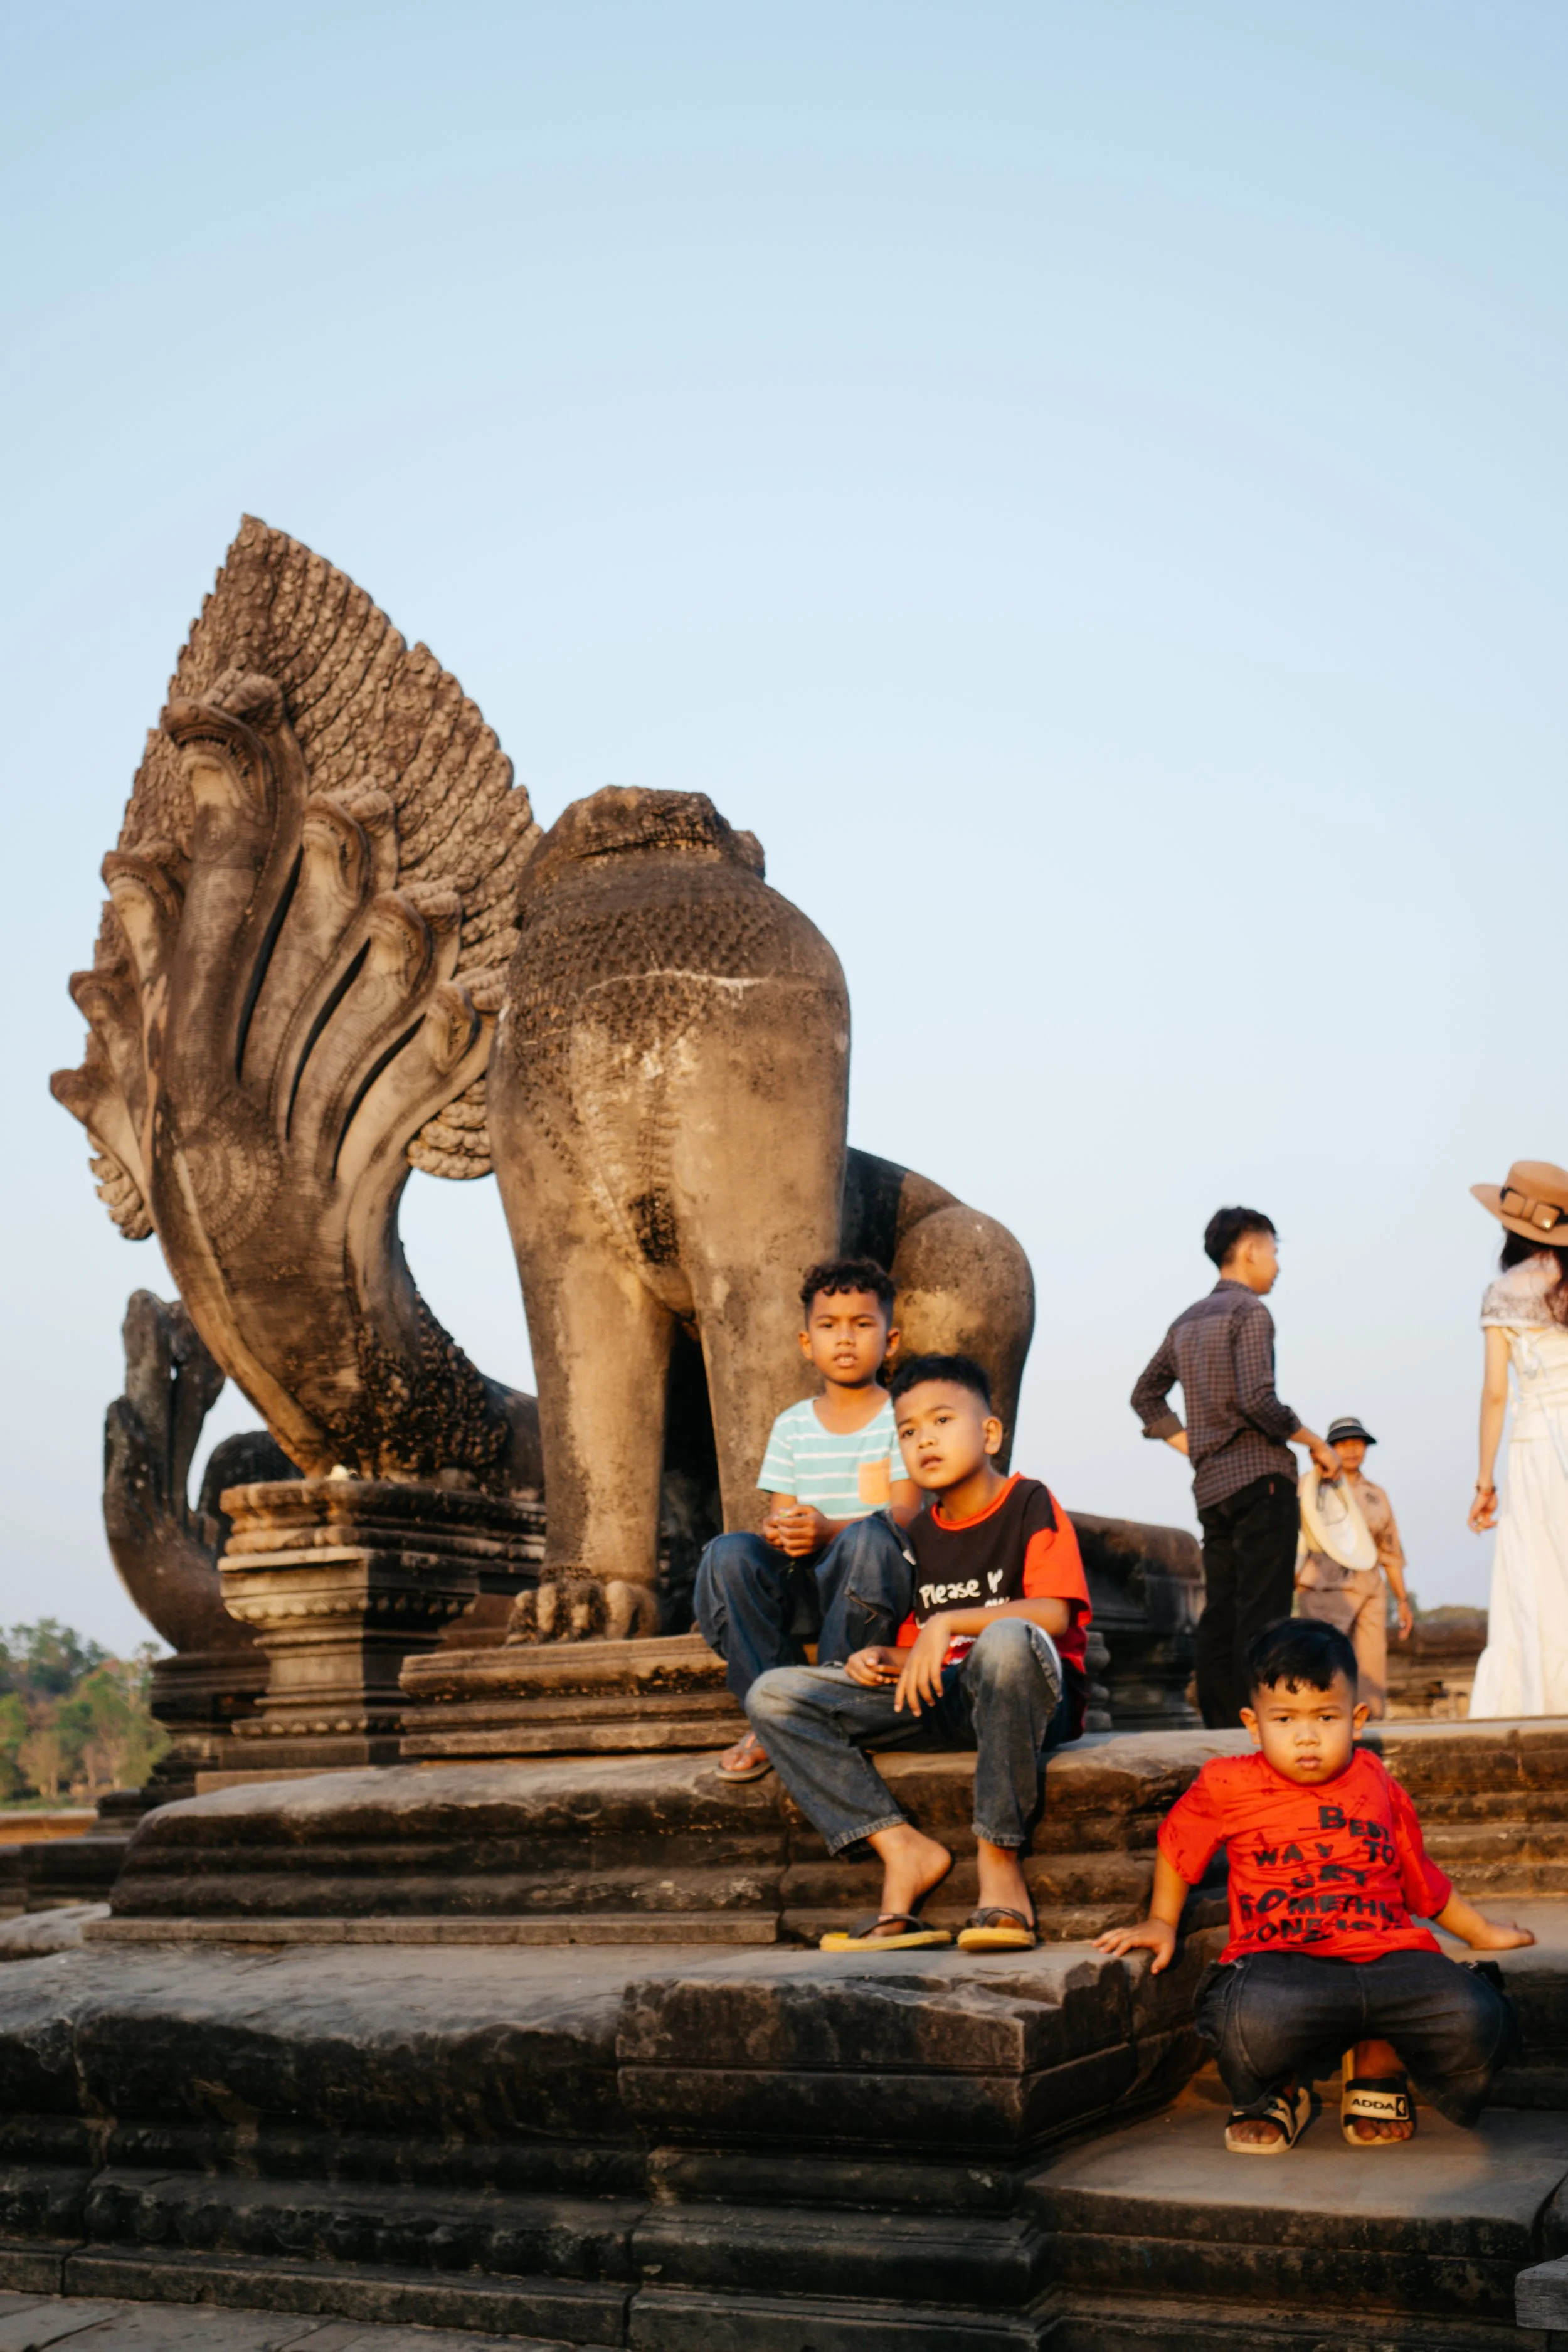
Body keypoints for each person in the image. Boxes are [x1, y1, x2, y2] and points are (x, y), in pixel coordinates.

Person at [1095, 1618, 1532, 2153]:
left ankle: (1376, 2060)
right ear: (1254, 1725)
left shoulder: (1374, 1779)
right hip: (1281, 1961)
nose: (1307, 1736)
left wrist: (1480, 1931)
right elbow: (1178, 1842)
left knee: (1477, 2018)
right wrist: (1163, 1920)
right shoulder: (1228, 1782)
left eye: (1326, 1717)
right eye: (1285, 1719)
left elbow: (1420, 1878)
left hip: (1389, 1958)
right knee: (1248, 2019)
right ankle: (1276, 2089)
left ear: (1357, 1718)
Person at [744, 1352, 1091, 1953]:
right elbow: (922, 1655)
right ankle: (903, 1848)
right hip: (948, 1698)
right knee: (773, 1695)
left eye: (942, 1421)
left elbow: (1054, 1614)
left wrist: (952, 1621)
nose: (924, 1439)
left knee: (1007, 1640)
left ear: (989, 1433)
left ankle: (998, 1859)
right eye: (908, 1431)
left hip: (1030, 1698)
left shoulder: (1028, 1501)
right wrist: (882, 1659)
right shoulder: (917, 1535)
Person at [694, 1258, 919, 1781]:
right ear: (806, 1342)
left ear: (890, 1341)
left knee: (872, 1536)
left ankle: (817, 1705)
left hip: (866, 1589)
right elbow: (783, 1518)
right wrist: (783, 1531)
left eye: (862, 1324)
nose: (845, 1338)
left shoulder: (902, 1417)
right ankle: (771, 1708)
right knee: (728, 1553)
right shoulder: (792, 1426)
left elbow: (906, 1515)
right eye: (829, 1325)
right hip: (802, 1590)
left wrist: (830, 1530)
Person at [1131, 1206, 1343, 1729]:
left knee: (1220, 1611)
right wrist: (1314, 1441)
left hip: (1212, 1489)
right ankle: (1264, 1721)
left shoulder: (1185, 1322)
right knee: (1264, 1610)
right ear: (1250, 1250)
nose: (1277, 1264)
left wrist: (1196, 1444)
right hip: (1260, 1480)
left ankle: (1223, 1724)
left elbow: (1145, 1396)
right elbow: (1258, 1401)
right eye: (1274, 1250)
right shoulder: (1250, 1312)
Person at [1466, 1160, 1568, 1718]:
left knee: (1540, 1572)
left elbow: (1495, 1394)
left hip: (1538, 1445)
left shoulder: (1504, 1292)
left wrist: (1485, 1482)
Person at [1295, 1415, 1414, 1720]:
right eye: (1343, 1444)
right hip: (1324, 1586)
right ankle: (1323, 1726)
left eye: (1357, 1444)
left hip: (1370, 1587)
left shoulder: (1376, 1494)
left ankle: (1371, 1729)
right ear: (1329, 1448)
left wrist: (1402, 1600)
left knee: (1371, 1672)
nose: (1351, 1450)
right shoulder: (1309, 1487)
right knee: (1323, 1665)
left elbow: (1390, 1551)